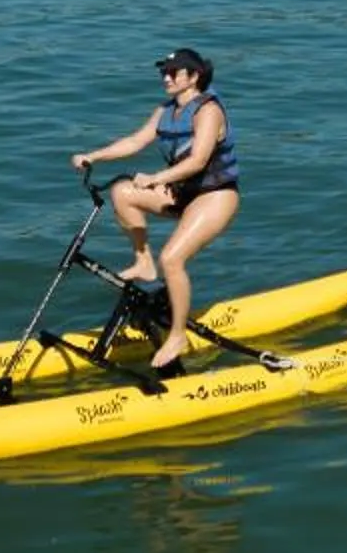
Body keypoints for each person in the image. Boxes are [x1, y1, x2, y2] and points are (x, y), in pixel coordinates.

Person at [73, 46, 242, 372]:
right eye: (163, 71)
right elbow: (134, 142)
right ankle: (143, 262)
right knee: (123, 192)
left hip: (216, 195)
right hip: (182, 193)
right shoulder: (165, 111)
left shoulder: (208, 111)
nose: (165, 77)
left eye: (173, 72)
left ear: (193, 77)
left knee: (173, 258)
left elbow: (199, 160)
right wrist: (92, 156)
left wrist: (156, 178)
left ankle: (177, 336)